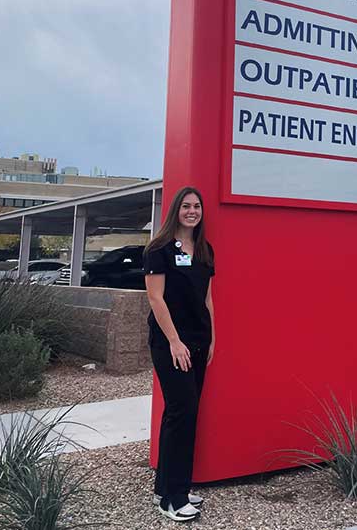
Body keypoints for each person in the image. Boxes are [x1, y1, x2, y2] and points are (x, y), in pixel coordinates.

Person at [144, 186, 215, 522]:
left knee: (180, 413)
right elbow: (156, 299)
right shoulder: (159, 250)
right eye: (186, 206)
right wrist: (174, 341)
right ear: (176, 210)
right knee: (182, 414)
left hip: (199, 343)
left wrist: (212, 338)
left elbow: (207, 298)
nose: (192, 211)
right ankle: (173, 499)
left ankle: (171, 487)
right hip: (171, 344)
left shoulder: (204, 250)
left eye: (196, 206)